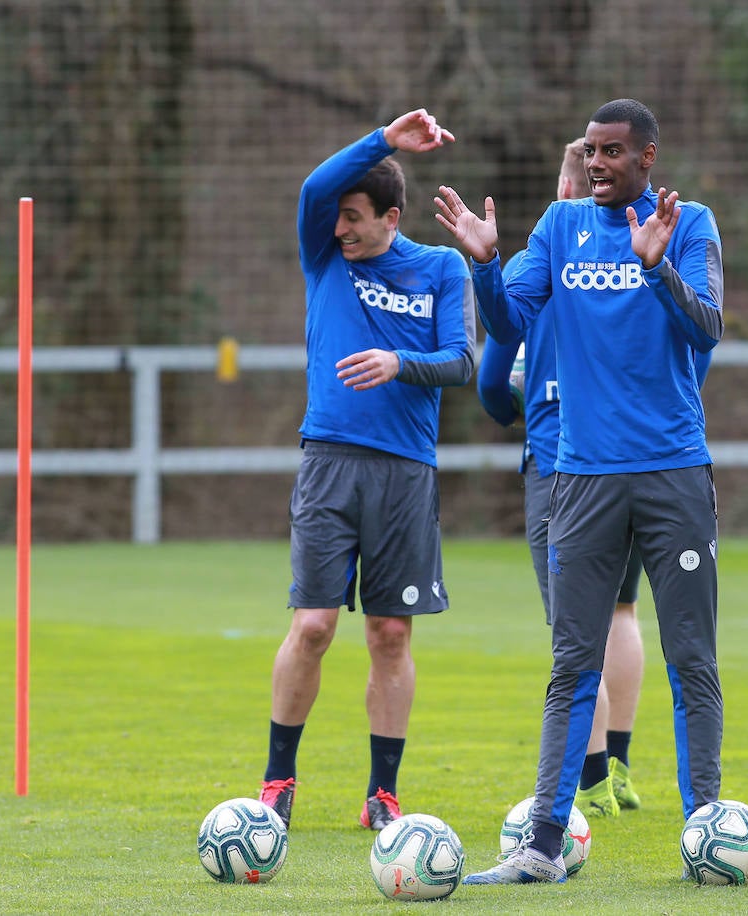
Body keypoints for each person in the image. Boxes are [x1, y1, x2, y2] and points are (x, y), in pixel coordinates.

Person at [436, 98, 724, 885]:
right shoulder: (560, 229)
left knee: (691, 657)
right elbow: (509, 322)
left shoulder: (689, 223)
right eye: (590, 151)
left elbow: (707, 330)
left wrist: (657, 265)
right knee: (571, 666)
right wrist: (485, 265)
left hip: (672, 473)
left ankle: (708, 836)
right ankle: (542, 846)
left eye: (611, 151)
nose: (595, 163)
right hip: (583, 479)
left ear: (648, 157)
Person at [258, 109, 477, 832]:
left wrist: (399, 364)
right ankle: (277, 781)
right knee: (315, 623)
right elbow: (316, 186)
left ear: (391, 216)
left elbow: (464, 361)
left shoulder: (440, 268)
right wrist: (383, 139)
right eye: (336, 219)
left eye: (354, 218)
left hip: (405, 473)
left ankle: (383, 794)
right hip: (329, 463)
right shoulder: (323, 258)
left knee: (390, 633)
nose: (340, 228)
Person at [476, 137, 678, 818]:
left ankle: (586, 777)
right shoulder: (630, 259)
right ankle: (617, 765)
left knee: (572, 631)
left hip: (562, 462)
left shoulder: (546, 261)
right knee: (623, 611)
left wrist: (514, 407)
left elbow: (488, 378)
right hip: (636, 455)